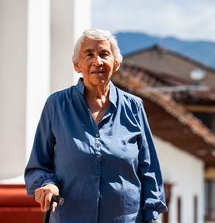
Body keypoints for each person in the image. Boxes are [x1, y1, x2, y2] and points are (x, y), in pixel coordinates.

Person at [25, 29, 167, 223]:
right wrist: (48, 185)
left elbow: (149, 170)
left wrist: (151, 216)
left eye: (104, 54)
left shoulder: (133, 107)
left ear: (116, 63)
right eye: (89, 54)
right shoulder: (56, 105)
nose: (97, 61)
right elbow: (38, 166)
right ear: (77, 65)